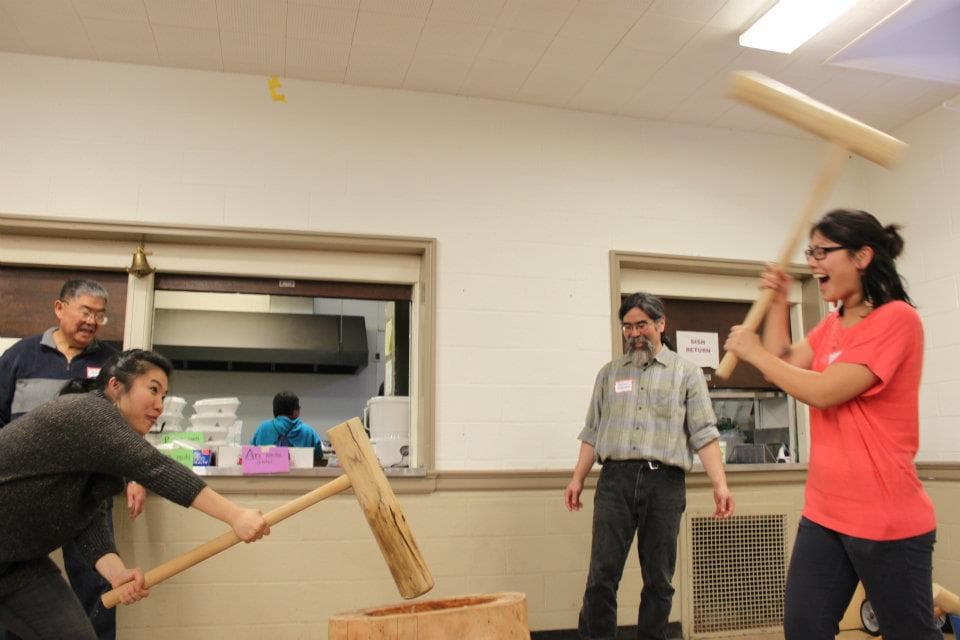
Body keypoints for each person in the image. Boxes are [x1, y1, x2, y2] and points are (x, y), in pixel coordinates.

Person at [723, 209, 939, 640]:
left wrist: (751, 351)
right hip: (825, 513)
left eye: (823, 252)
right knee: (804, 628)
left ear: (862, 256)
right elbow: (783, 367)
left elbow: (824, 390)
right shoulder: (832, 325)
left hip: (886, 518)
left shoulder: (897, 320)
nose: (814, 261)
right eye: (811, 251)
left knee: (910, 633)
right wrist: (780, 304)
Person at [0, 349, 270, 639]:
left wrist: (117, 573)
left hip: (16, 564)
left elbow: (89, 520)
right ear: (115, 386)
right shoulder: (89, 414)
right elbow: (155, 467)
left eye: (164, 397)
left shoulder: (101, 452)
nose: (159, 406)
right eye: (153, 390)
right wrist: (236, 515)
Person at [565, 292, 734, 640]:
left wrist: (721, 484)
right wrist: (577, 479)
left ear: (660, 324)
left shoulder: (687, 374)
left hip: (665, 484)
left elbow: (704, 432)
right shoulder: (610, 374)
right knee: (601, 576)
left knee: (658, 579)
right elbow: (592, 431)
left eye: (641, 324)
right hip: (615, 482)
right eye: (627, 326)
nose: (634, 333)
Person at [0, 279, 144, 640]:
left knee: (98, 581)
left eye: (100, 315)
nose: (92, 321)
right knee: (19, 592)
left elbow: (125, 428)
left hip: (86, 493)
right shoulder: (20, 356)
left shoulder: (114, 365)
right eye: (86, 311)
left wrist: (135, 475)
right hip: (24, 499)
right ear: (60, 308)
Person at [250, 391, 324, 464]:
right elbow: (318, 457)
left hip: (266, 475)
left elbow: (250, 453)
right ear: (295, 411)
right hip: (300, 475)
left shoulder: (263, 428)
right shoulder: (308, 431)